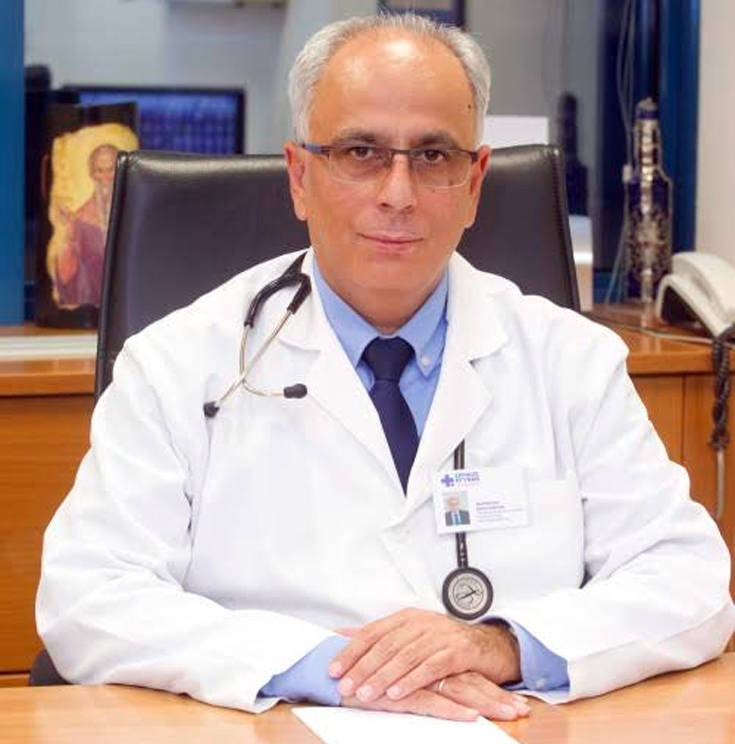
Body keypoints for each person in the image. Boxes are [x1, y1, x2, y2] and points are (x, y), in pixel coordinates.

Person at [37, 14, 733, 723]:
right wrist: (331, 670)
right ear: (300, 176)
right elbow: (88, 596)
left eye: (432, 155)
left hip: (511, 722)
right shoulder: (178, 363)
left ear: (475, 182)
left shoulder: (568, 359)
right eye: (360, 151)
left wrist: (503, 645)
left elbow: (686, 578)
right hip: (268, 726)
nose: (398, 192)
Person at [55, 143, 117, 307]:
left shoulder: (133, 210)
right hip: (92, 303)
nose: (105, 178)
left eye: (111, 170)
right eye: (99, 171)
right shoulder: (81, 218)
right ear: (92, 174)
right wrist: (69, 234)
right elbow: (66, 278)